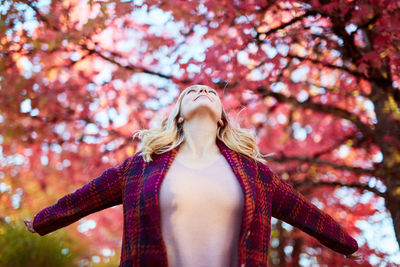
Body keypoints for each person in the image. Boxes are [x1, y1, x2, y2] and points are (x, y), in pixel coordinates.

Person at [24, 84, 361, 266]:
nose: (203, 92)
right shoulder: (141, 165)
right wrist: (43, 220)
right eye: (192, 92)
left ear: (221, 118)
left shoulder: (255, 173)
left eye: (212, 93)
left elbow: (303, 211)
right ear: (179, 115)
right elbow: (86, 197)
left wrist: (346, 244)